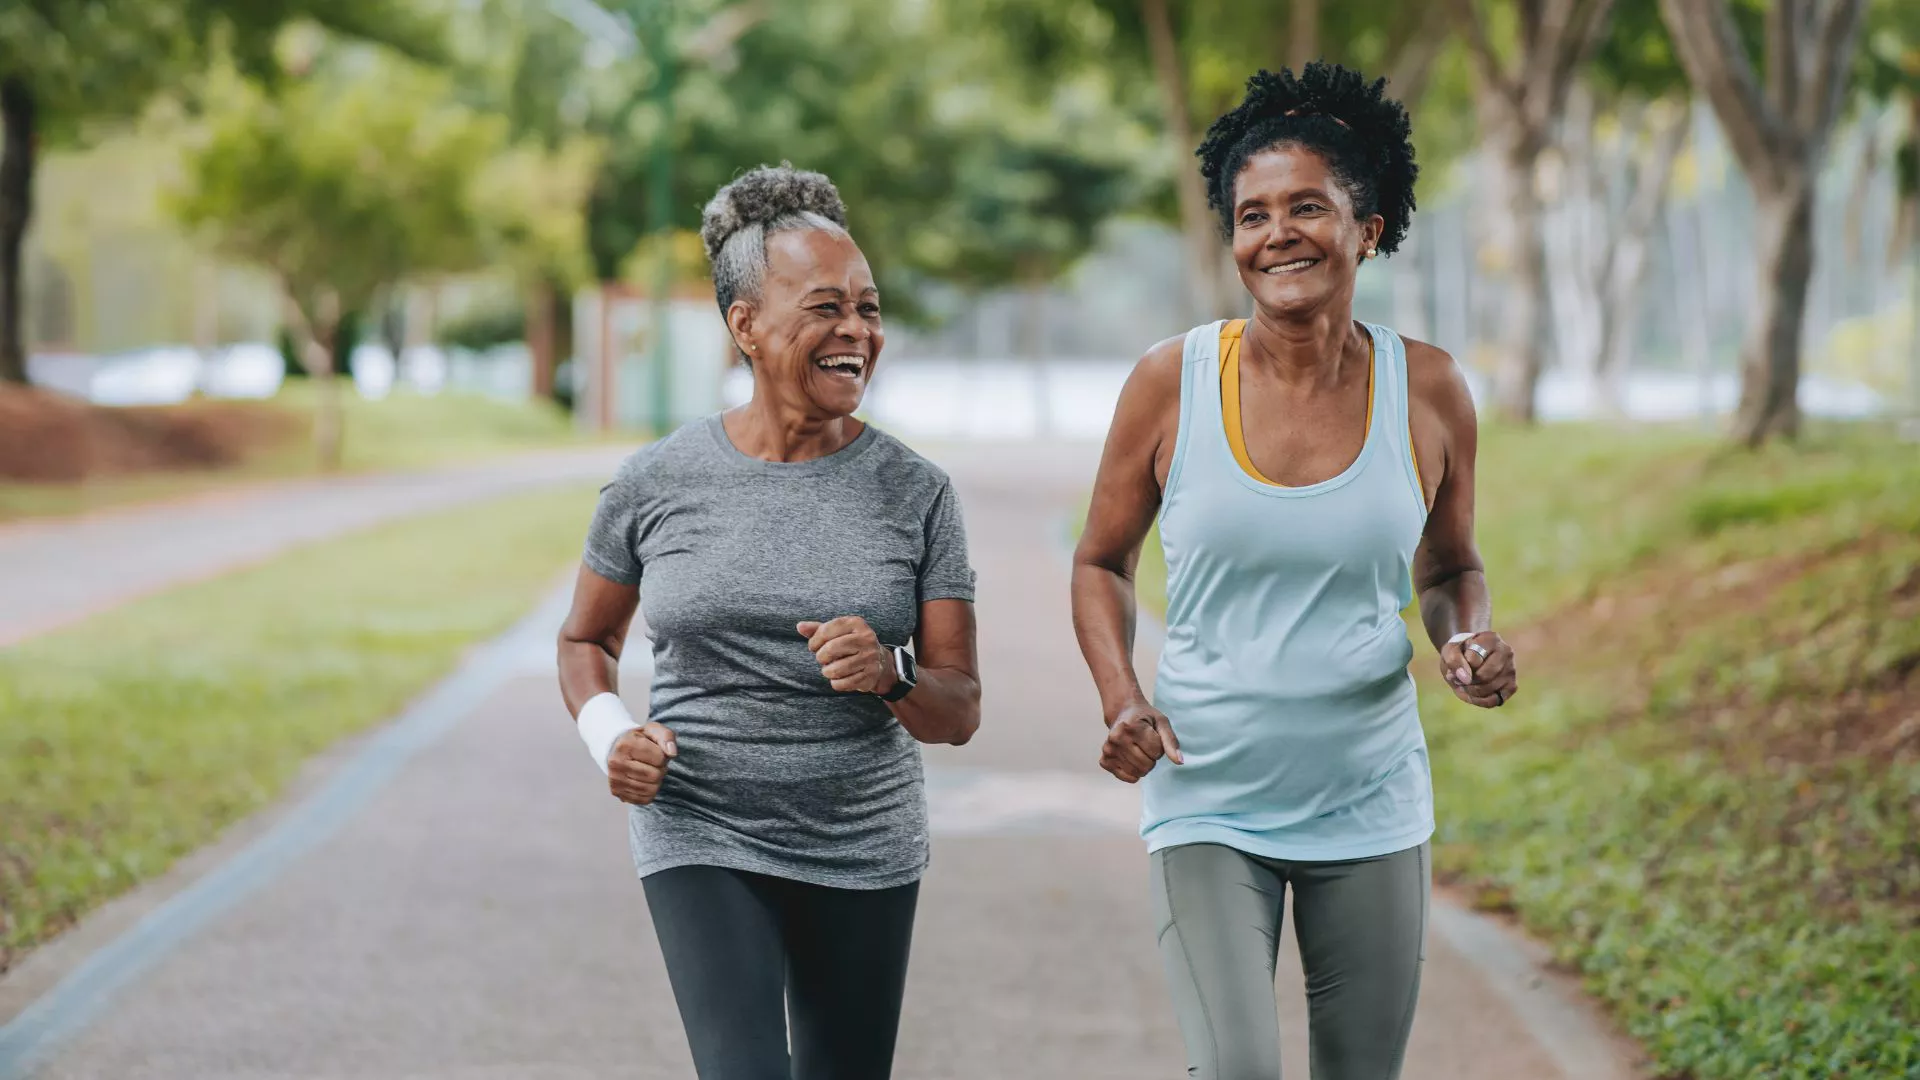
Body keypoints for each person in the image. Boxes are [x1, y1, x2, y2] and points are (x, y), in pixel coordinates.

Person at [1070, 63, 1519, 1080]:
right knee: (1236, 1068)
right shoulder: (1170, 382)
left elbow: (1450, 566)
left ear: (1367, 226)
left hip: (1368, 795)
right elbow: (1100, 560)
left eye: (1307, 207)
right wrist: (1120, 696)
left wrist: (1463, 640)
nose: (1277, 233)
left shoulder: (1432, 386)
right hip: (1208, 792)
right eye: (1252, 214)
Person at [556, 164, 981, 1080]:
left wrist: (892, 673)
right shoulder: (654, 482)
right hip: (700, 821)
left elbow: (959, 708)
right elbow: (585, 641)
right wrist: (610, 734)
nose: (857, 331)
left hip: (860, 838)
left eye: (868, 309)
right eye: (825, 307)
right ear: (744, 324)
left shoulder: (917, 493)